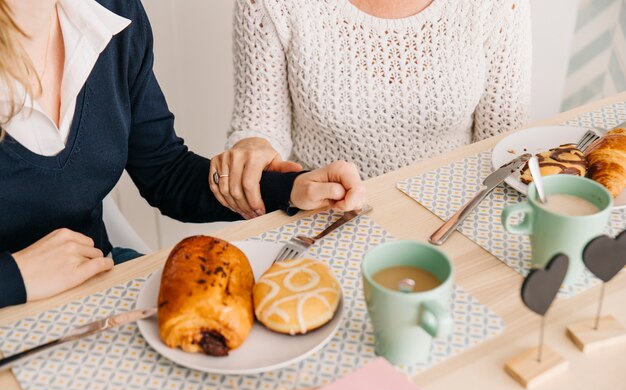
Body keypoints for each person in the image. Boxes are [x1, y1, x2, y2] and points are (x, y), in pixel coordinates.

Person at [0, 0, 366, 309]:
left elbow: (166, 172)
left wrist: (289, 189)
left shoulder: (111, 12)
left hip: (99, 281)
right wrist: (15, 278)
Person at [211, 0, 531, 219]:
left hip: (449, 218)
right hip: (322, 217)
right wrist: (252, 146)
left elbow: (504, 148)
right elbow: (259, 125)